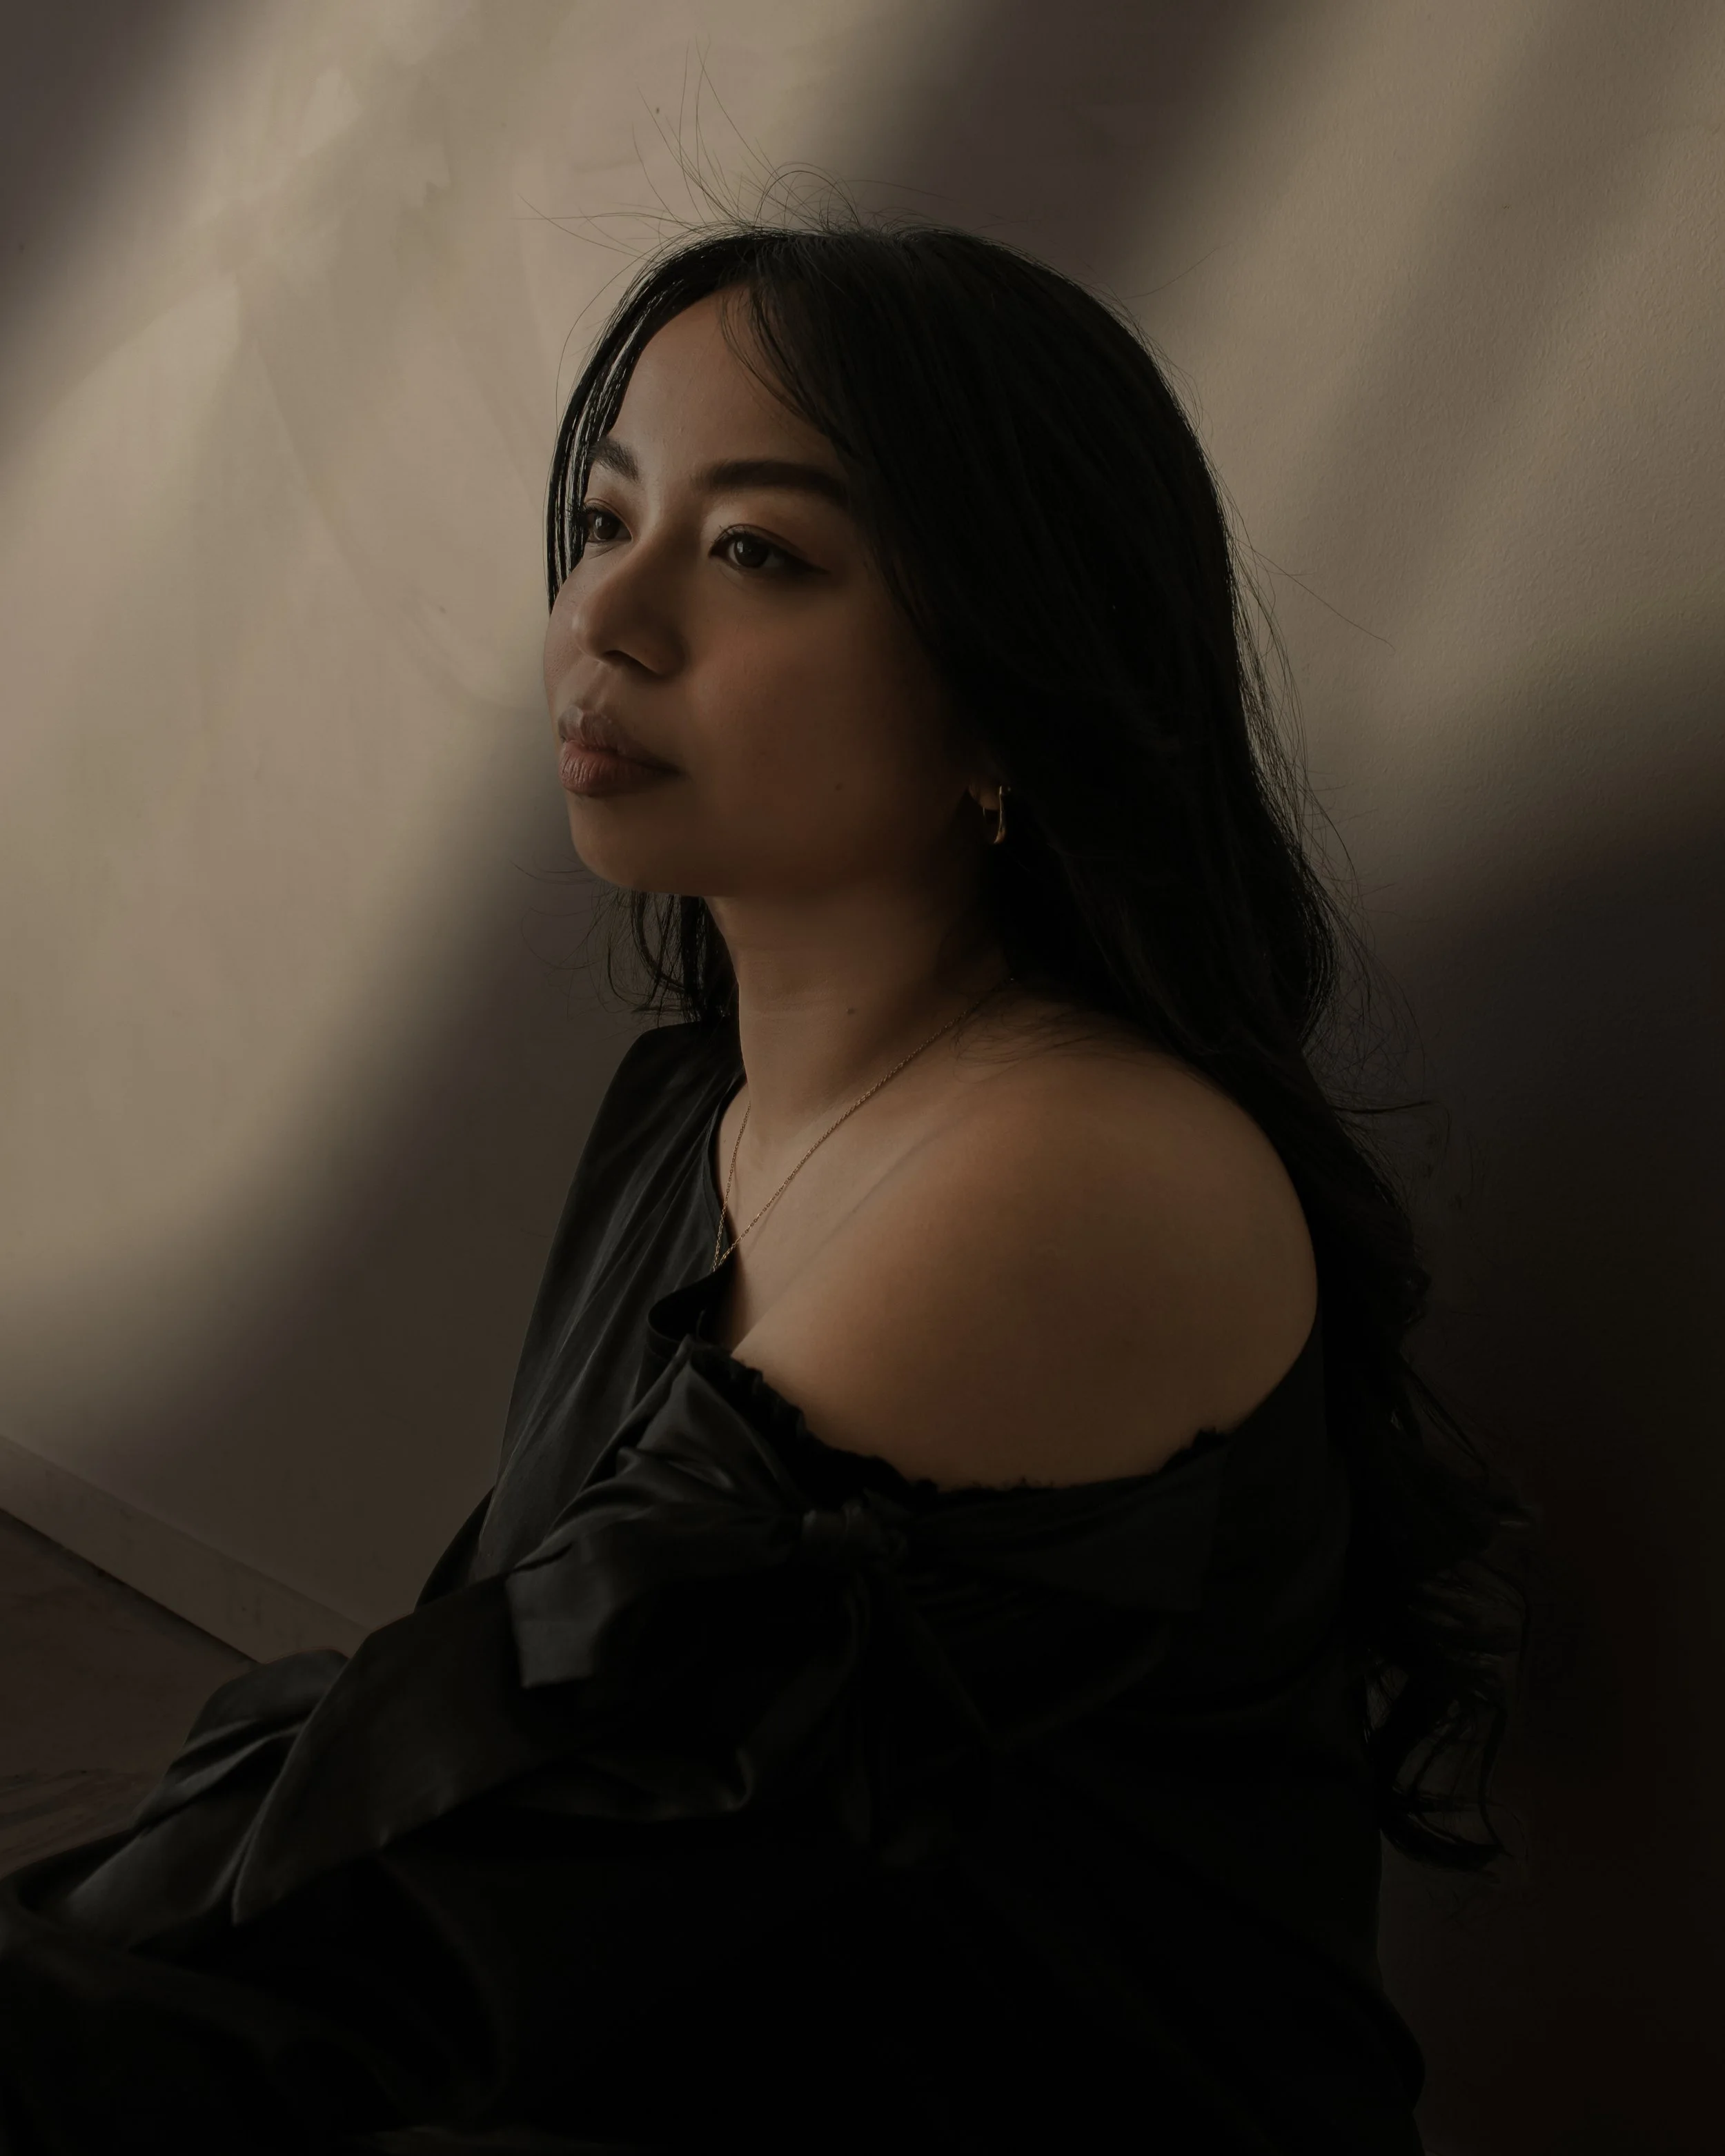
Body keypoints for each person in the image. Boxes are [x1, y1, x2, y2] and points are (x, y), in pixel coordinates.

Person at [0, 215, 1534, 2155]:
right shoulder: (698, 1110)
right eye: (606, 518)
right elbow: (465, 1735)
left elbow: (452, 1870)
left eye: (755, 554)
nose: (609, 616)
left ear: (1007, 692)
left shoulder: (1074, 1176)